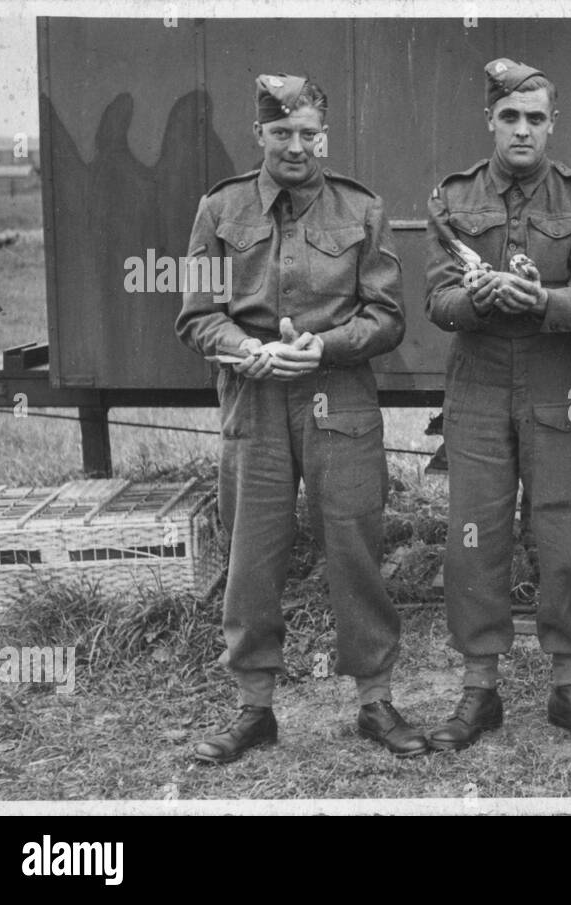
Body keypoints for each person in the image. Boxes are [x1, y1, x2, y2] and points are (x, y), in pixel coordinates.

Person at [176, 73, 415, 763]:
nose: (296, 146)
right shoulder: (220, 209)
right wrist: (244, 347)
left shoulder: (360, 209)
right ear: (259, 136)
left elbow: (388, 317)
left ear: (326, 136)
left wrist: (324, 346)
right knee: (251, 556)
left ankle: (375, 700)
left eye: (309, 132)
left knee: (355, 549)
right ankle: (254, 708)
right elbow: (197, 314)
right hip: (253, 398)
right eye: (281, 133)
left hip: (337, 394)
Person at [423, 58, 571, 751]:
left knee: (564, 535)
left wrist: (540, 301)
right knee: (475, 537)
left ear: (552, 122)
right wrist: (478, 297)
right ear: (491, 121)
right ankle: (480, 689)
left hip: (557, 375)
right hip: (476, 381)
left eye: (536, 117)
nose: (523, 129)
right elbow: (438, 300)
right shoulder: (451, 197)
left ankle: (569, 687)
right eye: (511, 116)